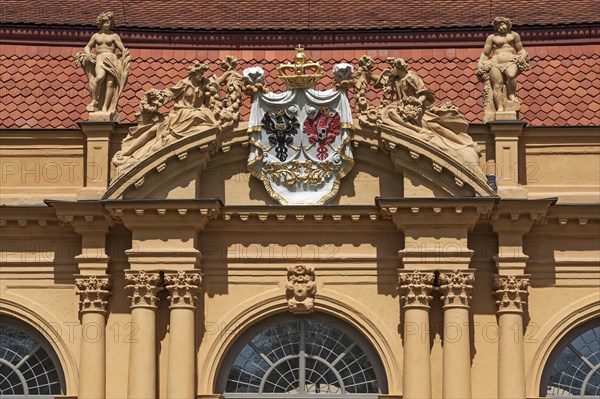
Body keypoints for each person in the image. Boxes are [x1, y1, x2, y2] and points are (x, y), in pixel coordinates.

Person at [76, 11, 130, 113]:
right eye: (105, 22)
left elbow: (122, 49)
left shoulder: (114, 36)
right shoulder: (96, 36)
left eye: (109, 22)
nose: (107, 24)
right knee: (98, 78)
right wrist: (88, 54)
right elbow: (87, 46)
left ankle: (105, 107)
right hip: (100, 58)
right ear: (101, 23)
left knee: (110, 83)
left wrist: (125, 58)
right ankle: (95, 101)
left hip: (111, 59)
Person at [477, 17, 530, 113]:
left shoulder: (514, 35)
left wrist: (523, 55)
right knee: (497, 86)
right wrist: (480, 64)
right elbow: (485, 54)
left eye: (502, 24)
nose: (501, 27)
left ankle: (511, 94)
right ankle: (500, 107)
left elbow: (520, 49)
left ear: (508, 24)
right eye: (498, 26)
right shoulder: (492, 37)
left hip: (510, 60)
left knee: (511, 75)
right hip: (495, 63)